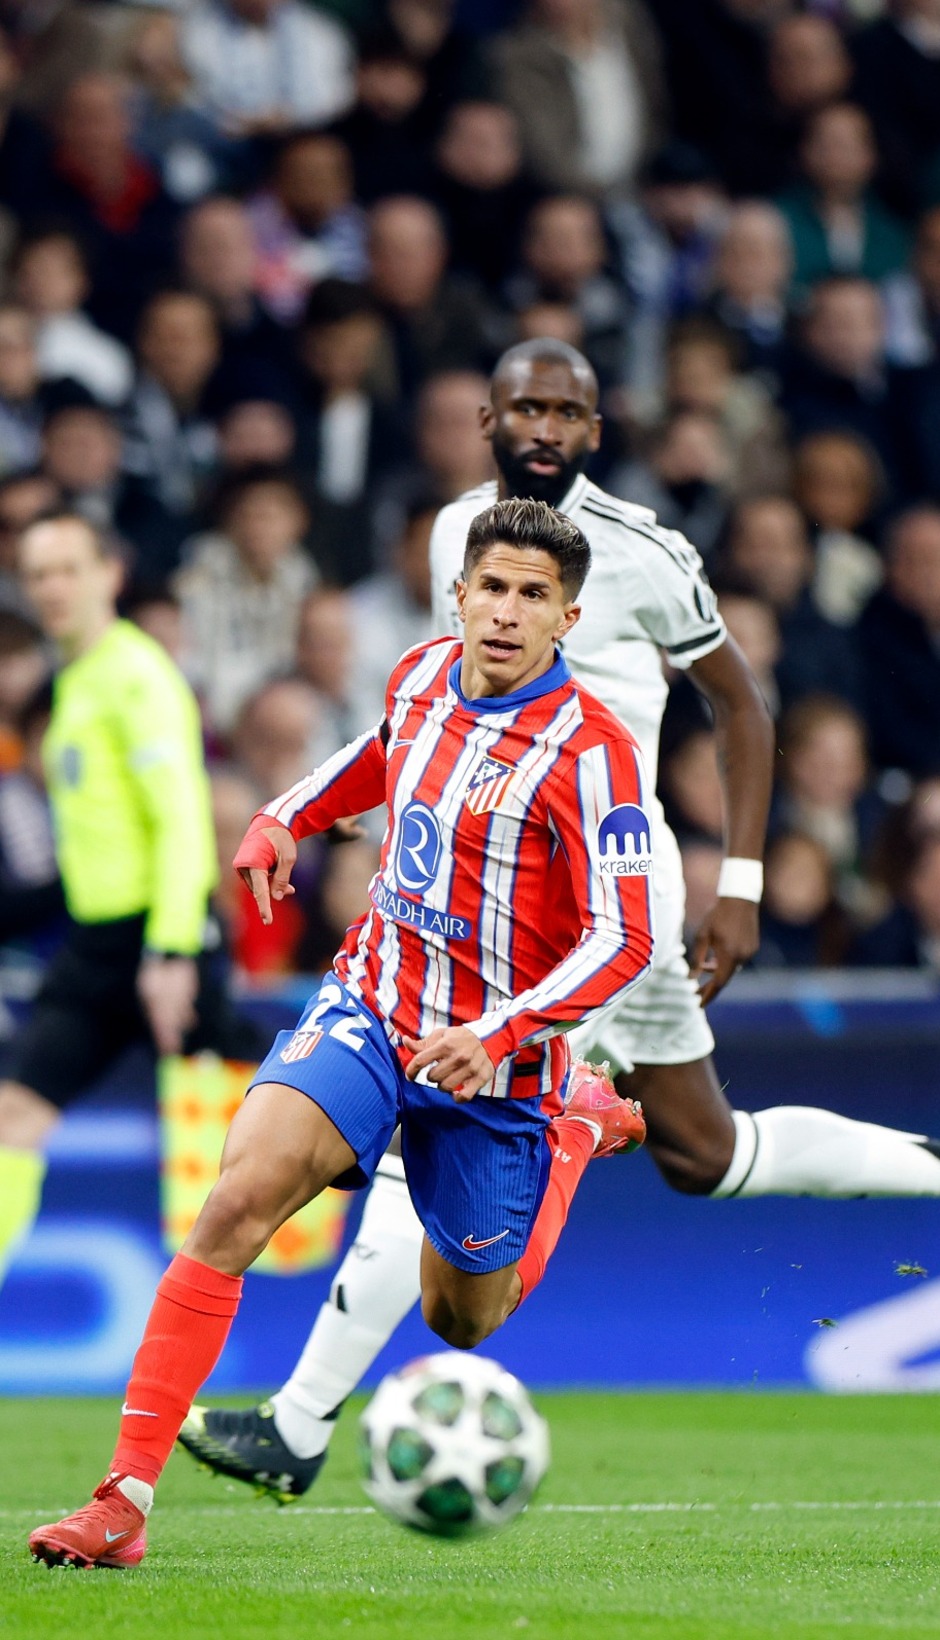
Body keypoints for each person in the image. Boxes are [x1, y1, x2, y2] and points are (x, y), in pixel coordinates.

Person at [180, 339, 940, 1505]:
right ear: (485, 415)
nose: (543, 426)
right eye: (525, 405)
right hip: (482, 892)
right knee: (703, 1149)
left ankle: (295, 1419)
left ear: (597, 428)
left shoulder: (641, 552)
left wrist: (737, 882)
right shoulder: (456, 533)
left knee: (430, 1120)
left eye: (567, 411)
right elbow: (429, 711)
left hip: (597, 899)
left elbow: (737, 701)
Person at [28, 496, 652, 1568]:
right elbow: (379, 752)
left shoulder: (592, 754)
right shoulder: (419, 674)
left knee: (464, 1317)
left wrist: (502, 1033)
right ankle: (121, 1500)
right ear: (456, 593)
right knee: (237, 1195)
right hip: (371, 1002)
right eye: (490, 587)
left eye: (531, 596)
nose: (504, 612)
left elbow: (624, 934)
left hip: (499, 1067)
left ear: (568, 617)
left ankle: (572, 1133)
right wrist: (284, 815)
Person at [0, 512, 260, 1302]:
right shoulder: (76, 681)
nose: (52, 588)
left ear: (109, 574)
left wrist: (173, 952)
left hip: (160, 936)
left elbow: (181, 818)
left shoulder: (136, 677)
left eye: (67, 569)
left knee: (257, 1142)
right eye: (38, 573)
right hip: (96, 947)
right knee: (15, 1116)